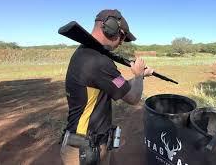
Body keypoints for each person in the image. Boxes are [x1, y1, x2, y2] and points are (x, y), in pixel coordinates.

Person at [60, 9, 154, 165]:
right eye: (122, 36)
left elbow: (122, 88)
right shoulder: (98, 61)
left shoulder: (86, 53)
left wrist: (142, 75)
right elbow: (133, 98)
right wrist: (138, 76)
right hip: (85, 152)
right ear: (111, 28)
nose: (122, 42)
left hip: (91, 145)